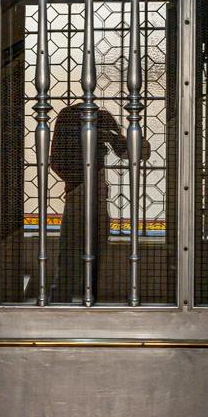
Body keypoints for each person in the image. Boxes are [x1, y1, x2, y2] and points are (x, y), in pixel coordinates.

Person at [49, 102, 149, 302]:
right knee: (80, 254)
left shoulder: (81, 117)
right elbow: (138, 153)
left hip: (85, 192)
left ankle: (71, 298)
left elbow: (139, 153)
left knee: (79, 254)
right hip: (82, 192)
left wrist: (112, 136)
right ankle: (80, 298)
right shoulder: (74, 117)